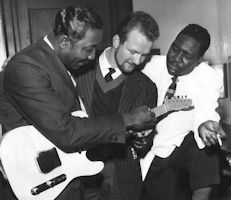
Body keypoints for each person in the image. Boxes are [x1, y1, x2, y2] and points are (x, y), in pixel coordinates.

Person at [0, 6, 156, 200]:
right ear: (64, 42)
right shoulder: (27, 66)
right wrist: (128, 120)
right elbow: (67, 131)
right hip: (40, 186)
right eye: (88, 49)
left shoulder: (56, 64)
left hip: (68, 181)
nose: (92, 56)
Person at [74, 11, 159, 200]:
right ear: (116, 41)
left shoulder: (146, 87)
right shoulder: (76, 72)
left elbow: (143, 147)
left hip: (122, 182)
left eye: (144, 55)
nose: (137, 61)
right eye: (133, 52)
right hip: (76, 179)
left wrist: (143, 140)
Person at [140, 24, 226, 200]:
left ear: (199, 59)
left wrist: (205, 124)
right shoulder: (147, 65)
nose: (176, 58)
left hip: (182, 145)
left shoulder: (207, 77)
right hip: (152, 147)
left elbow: (207, 108)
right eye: (175, 49)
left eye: (186, 56)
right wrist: (166, 108)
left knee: (207, 147)